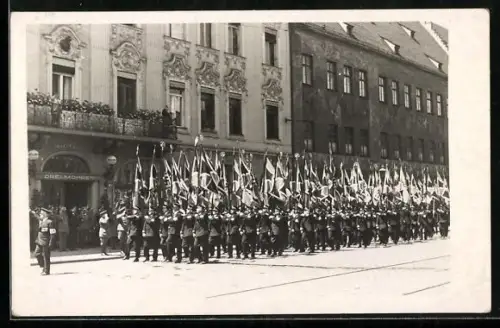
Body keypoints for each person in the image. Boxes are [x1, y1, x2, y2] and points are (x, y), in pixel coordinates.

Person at [33, 208, 56, 275]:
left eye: (41, 213)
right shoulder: (42, 220)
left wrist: (51, 243)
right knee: (36, 254)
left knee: (46, 256)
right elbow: (37, 217)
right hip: (39, 241)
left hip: (46, 242)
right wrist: (33, 213)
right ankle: (43, 266)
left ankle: (46, 271)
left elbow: (53, 234)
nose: (40, 214)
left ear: (45, 215)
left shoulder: (50, 222)